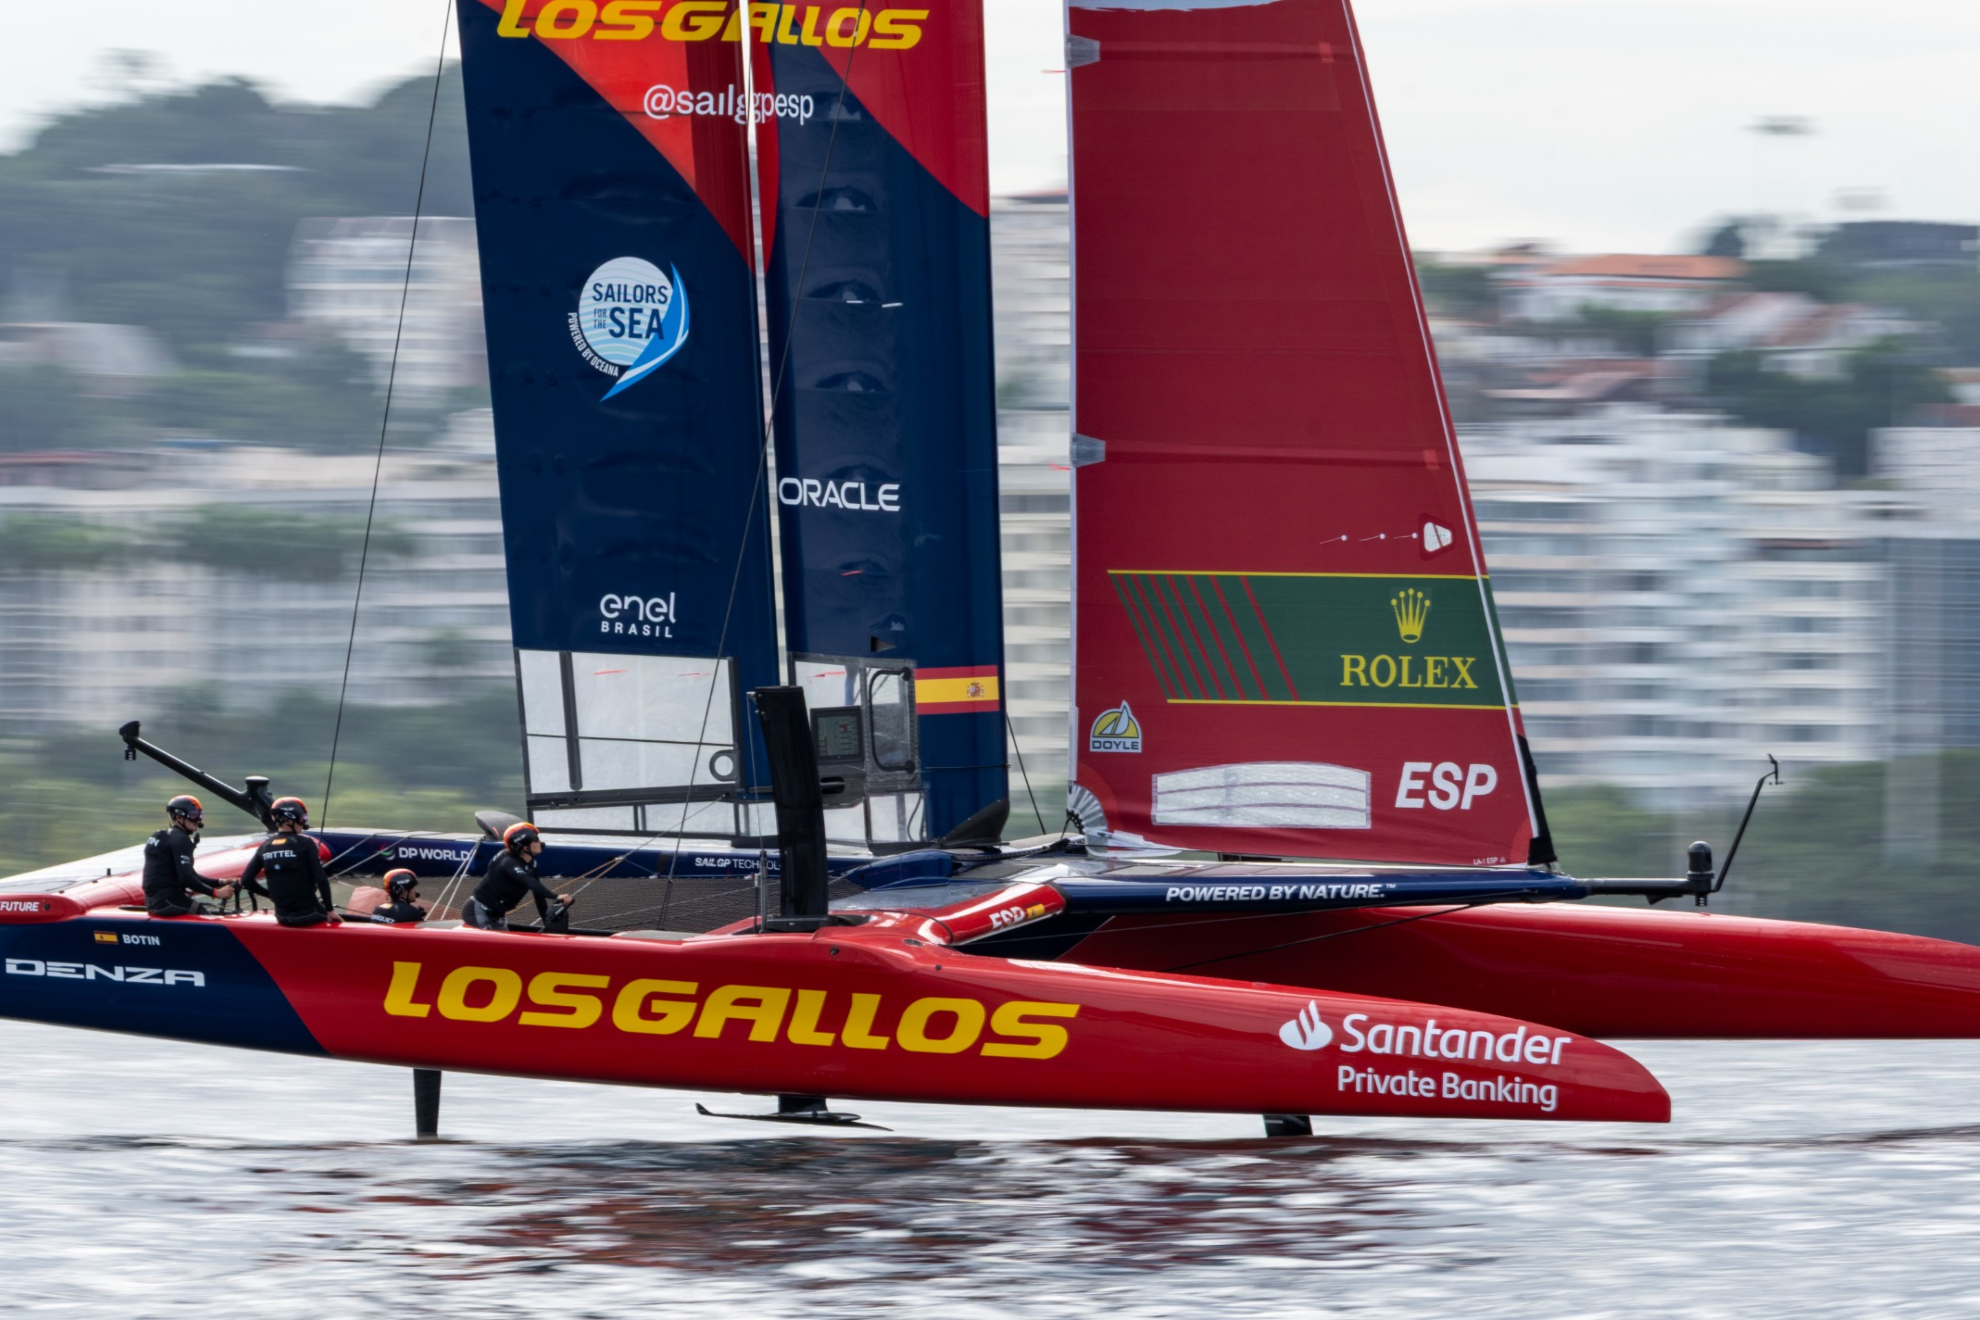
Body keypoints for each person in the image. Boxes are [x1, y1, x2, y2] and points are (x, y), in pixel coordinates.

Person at [238, 797, 341, 929]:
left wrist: (271, 896)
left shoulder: (265, 846)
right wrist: (330, 910)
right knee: (339, 919)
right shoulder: (305, 843)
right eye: (303, 818)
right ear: (291, 818)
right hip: (308, 915)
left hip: (282, 917)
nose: (303, 822)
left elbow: (246, 880)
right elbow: (321, 879)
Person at [464, 823, 574, 931]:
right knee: (499, 943)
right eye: (536, 840)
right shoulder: (507, 861)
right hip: (477, 911)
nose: (540, 842)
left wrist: (547, 923)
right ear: (525, 848)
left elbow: (538, 895)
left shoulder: (531, 863)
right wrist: (556, 896)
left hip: (497, 914)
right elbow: (530, 883)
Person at [142, 794, 237, 917]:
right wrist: (216, 893)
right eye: (193, 815)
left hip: (154, 902)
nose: (198, 820)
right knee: (204, 915)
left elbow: (191, 875)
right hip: (168, 900)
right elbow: (186, 879)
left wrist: (220, 882)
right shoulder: (181, 839)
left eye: (200, 815)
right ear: (178, 817)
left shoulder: (160, 835)